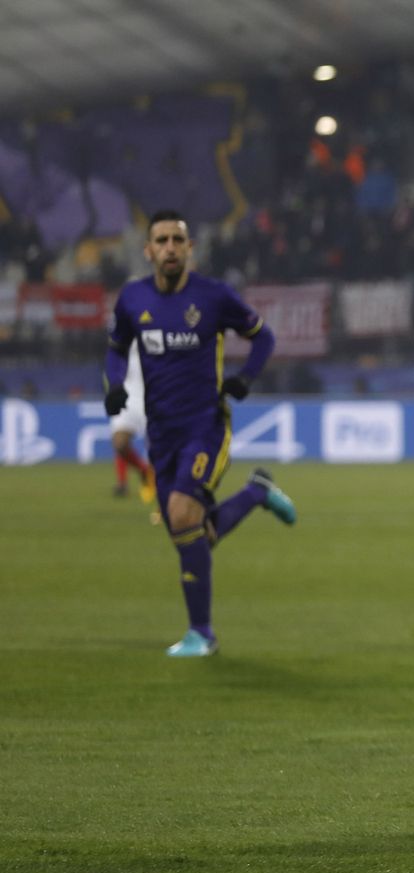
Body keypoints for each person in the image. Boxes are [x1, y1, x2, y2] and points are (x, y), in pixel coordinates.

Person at [104, 210, 298, 657]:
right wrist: (114, 386)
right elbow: (116, 350)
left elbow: (263, 337)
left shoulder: (213, 297)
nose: (170, 247)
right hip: (162, 435)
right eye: (162, 240)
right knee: (193, 534)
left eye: (178, 239)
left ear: (190, 248)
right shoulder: (132, 299)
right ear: (148, 250)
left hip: (205, 428)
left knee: (182, 514)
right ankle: (256, 493)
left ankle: (202, 633)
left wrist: (245, 378)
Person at [109, 343, 157, 504]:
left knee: (156, 448)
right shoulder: (122, 330)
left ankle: (157, 484)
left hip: (154, 395)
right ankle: (143, 471)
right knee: (120, 444)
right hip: (129, 397)